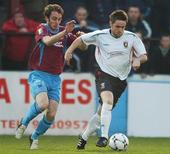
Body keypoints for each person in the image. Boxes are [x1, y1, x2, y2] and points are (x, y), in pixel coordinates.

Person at [65, 10, 148, 149]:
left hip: (120, 80)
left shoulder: (132, 37)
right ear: (111, 23)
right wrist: (68, 51)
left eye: (123, 27)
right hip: (102, 73)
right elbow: (80, 39)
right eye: (117, 26)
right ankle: (104, 137)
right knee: (107, 101)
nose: (120, 30)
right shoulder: (100, 35)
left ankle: (83, 138)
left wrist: (137, 59)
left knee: (102, 111)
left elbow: (144, 55)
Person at [15, 4, 76, 150]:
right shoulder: (41, 28)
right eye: (54, 18)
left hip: (55, 78)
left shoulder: (64, 31)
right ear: (47, 18)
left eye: (59, 19)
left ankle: (34, 136)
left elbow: (82, 45)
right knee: (43, 104)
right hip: (39, 74)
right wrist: (64, 33)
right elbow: (48, 41)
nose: (57, 22)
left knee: (51, 113)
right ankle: (23, 122)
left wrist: (78, 42)